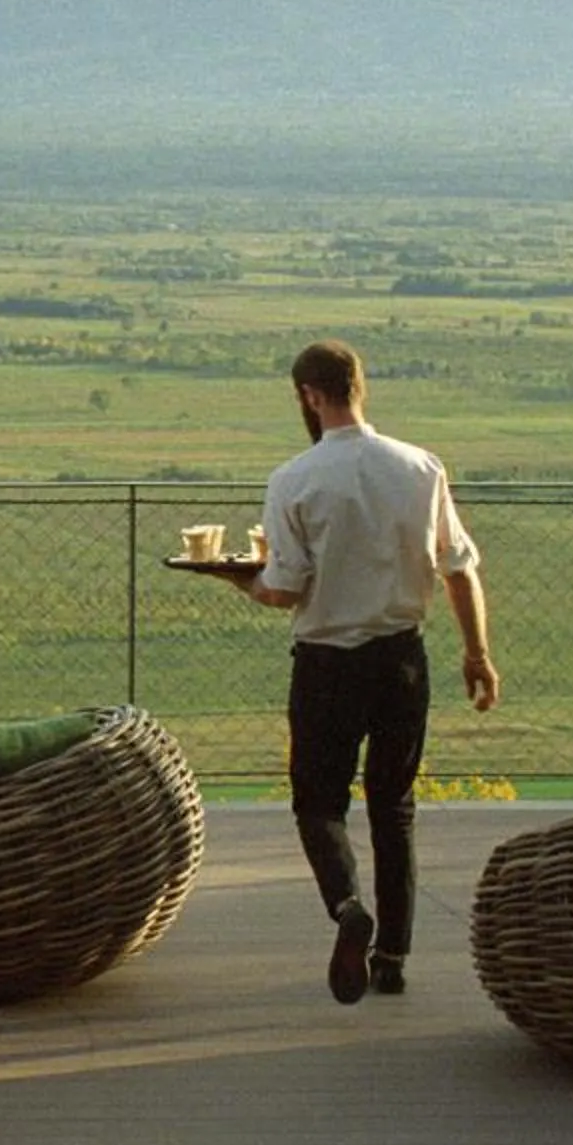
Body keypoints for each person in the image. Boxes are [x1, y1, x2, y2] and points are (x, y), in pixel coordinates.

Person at [221, 340, 500, 1004]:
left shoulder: (293, 479)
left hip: (325, 666)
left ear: (309, 397)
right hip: (401, 659)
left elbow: (284, 591)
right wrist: (477, 654)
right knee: (394, 808)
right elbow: (460, 568)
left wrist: (235, 579)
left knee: (319, 802)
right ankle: (394, 957)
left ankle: (347, 905)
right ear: (359, 388)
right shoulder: (420, 467)